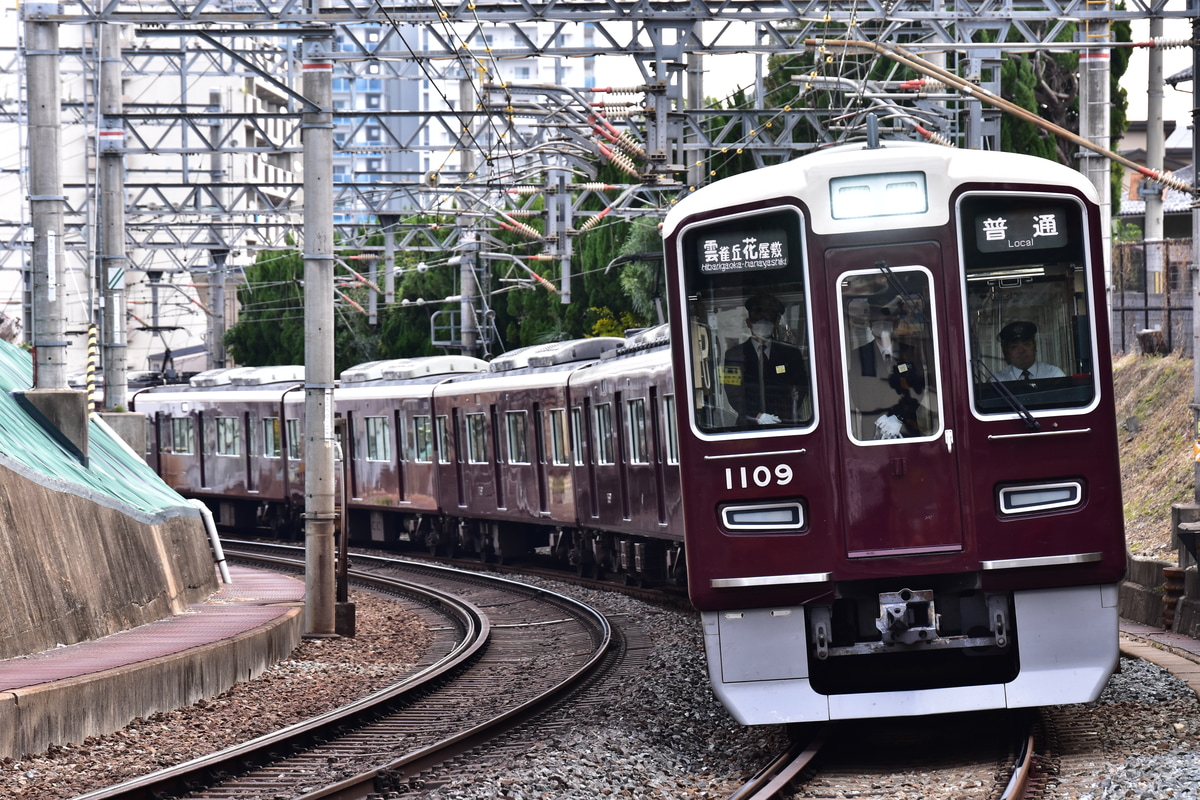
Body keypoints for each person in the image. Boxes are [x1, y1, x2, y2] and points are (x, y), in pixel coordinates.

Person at [722, 291, 808, 427]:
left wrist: (786, 414)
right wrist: (757, 415)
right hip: (749, 426)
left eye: (769, 316)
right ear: (748, 322)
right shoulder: (734, 355)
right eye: (757, 316)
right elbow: (733, 392)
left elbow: (800, 388)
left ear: (777, 321)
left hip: (786, 424)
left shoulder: (791, 353)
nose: (763, 320)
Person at [845, 304, 929, 440]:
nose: (881, 326)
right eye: (877, 323)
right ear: (871, 328)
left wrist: (898, 418)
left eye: (886, 322)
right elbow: (857, 391)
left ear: (893, 326)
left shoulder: (909, 352)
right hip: (873, 425)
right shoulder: (859, 355)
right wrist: (882, 420)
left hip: (906, 423)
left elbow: (918, 388)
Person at [992, 321, 1065, 381]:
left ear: (1035, 346)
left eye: (1026, 344)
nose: (1021, 350)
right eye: (1014, 347)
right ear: (1007, 352)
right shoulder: (998, 381)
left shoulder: (1053, 374)